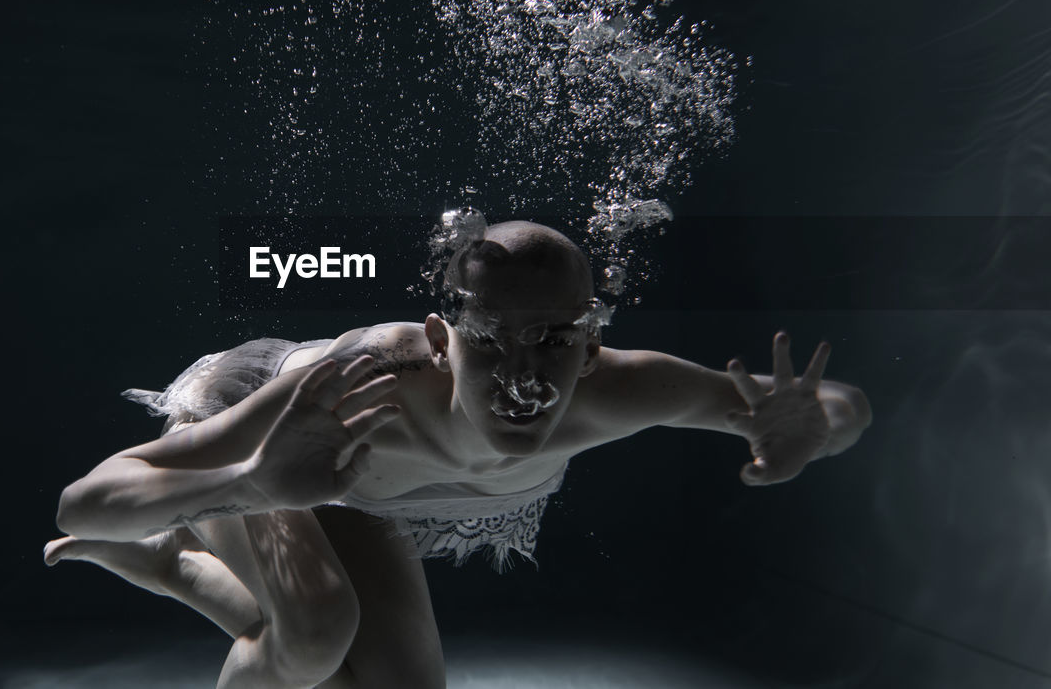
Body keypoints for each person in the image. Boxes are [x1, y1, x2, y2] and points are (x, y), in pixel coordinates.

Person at [44, 221, 871, 689]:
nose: (522, 378)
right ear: (442, 342)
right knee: (318, 634)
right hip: (289, 436)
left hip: (357, 485)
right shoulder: (367, 384)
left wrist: (819, 428)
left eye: (552, 340)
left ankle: (169, 563)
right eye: (489, 340)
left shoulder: (628, 390)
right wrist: (251, 481)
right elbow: (82, 501)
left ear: (591, 344)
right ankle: (177, 554)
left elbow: (839, 402)